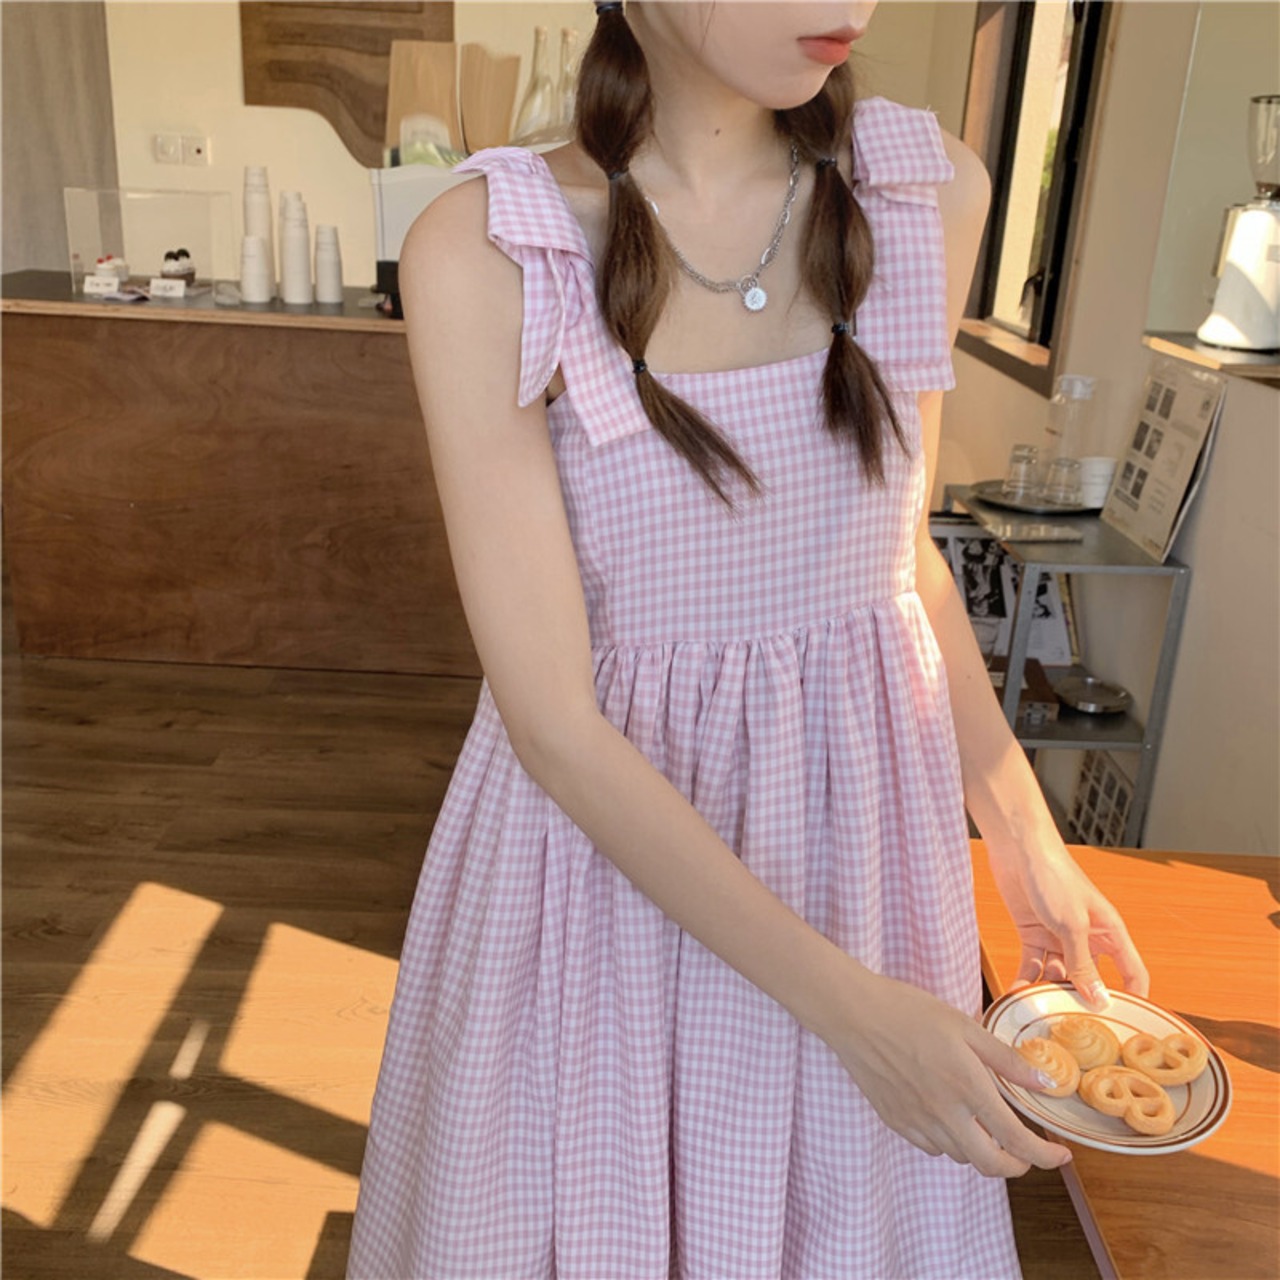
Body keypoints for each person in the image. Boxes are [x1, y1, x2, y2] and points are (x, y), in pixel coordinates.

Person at [348, 3, 1148, 1276]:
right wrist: (855, 1018)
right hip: (606, 890)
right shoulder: (494, 246)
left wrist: (1021, 834)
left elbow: (897, 562)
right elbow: (552, 723)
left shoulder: (923, 194)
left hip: (862, 862)